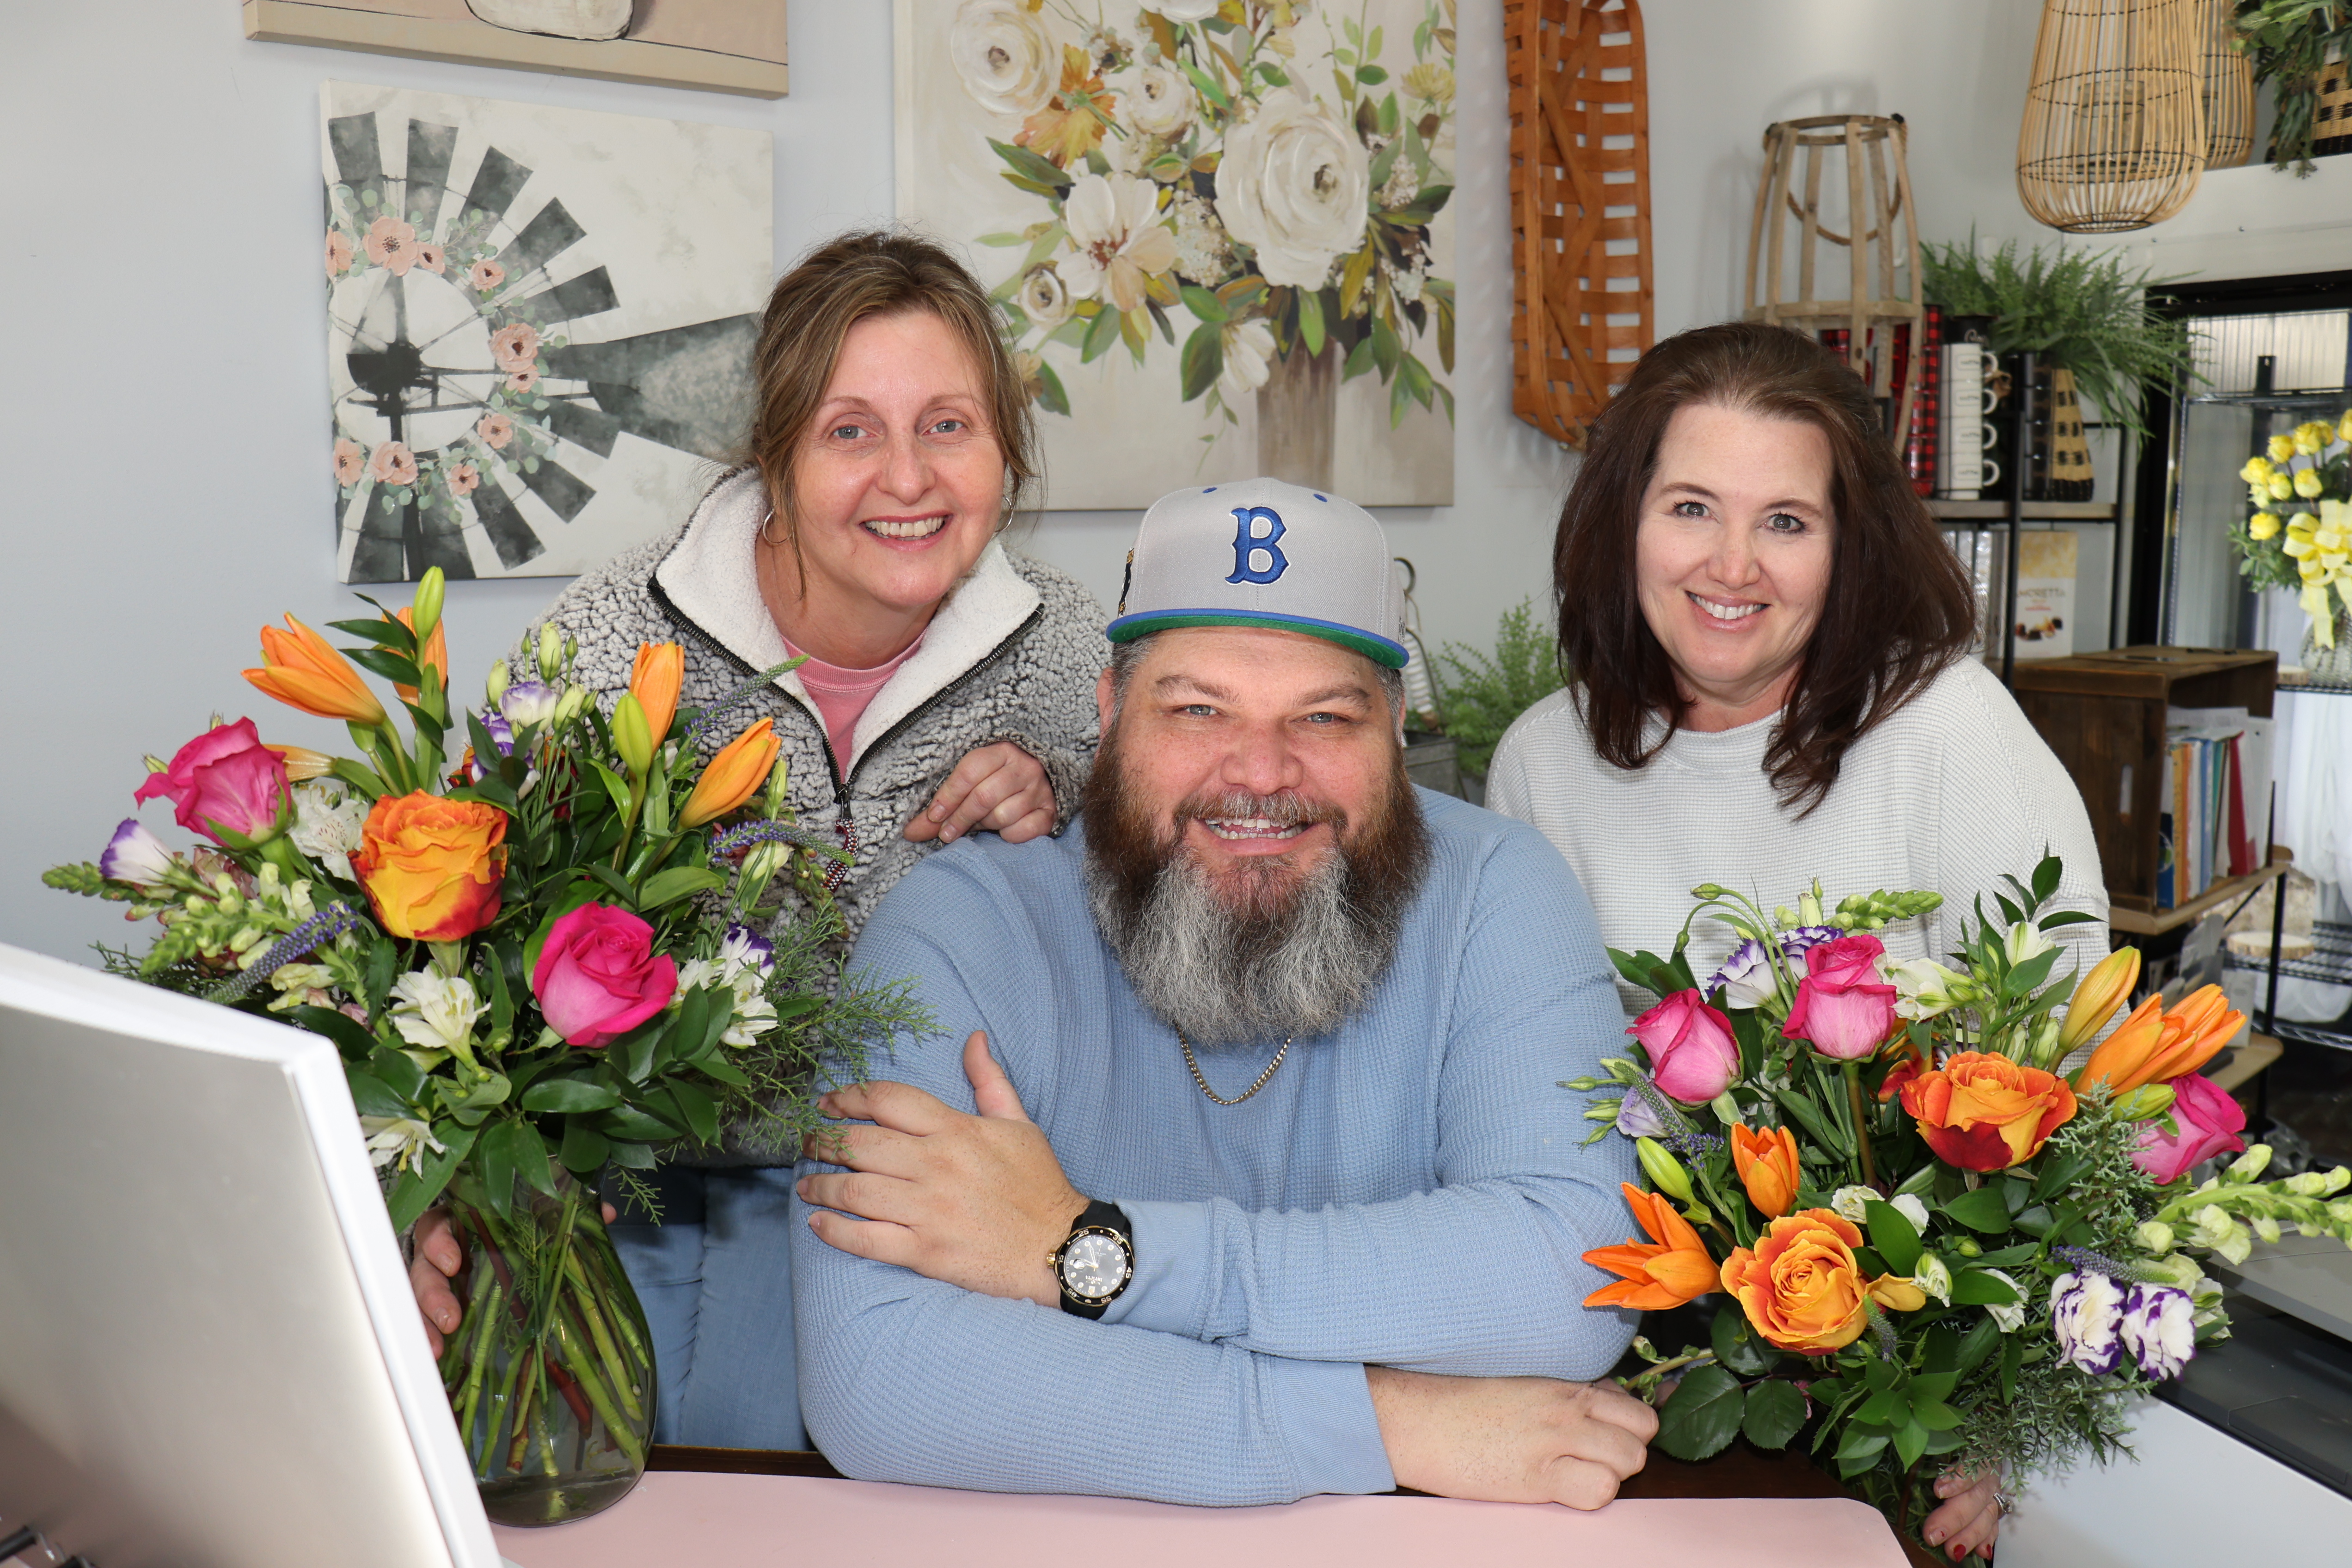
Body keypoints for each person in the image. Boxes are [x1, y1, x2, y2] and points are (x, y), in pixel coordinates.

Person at [787, 478, 1658, 1506]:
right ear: (1110, 714)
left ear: (1396, 725)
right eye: (1198, 709)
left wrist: (1080, 1249)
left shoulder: (1498, 889)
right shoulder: (963, 924)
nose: (1257, 771)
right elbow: (877, 1372)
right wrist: (1388, 1420)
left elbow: (1580, 1275)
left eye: (1324, 715)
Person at [408, 229, 1106, 1452]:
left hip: (943, 1190)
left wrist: (1068, 791)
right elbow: (465, 926)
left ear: (1007, 450)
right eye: (851, 431)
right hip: (645, 1189)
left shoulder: (1069, 656)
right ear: (775, 457)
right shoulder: (620, 644)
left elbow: (1177, 858)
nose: (909, 478)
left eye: (949, 425)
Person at [1485, 321, 2103, 1559]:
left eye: (1786, 521)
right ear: (1622, 522)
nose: (1733, 564)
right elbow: (1523, 1102)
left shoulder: (1946, 736)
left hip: (1902, 1382)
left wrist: (1993, 1405)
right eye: (1692, 507)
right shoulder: (1543, 762)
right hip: (1635, 1363)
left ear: (1849, 544)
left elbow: (2085, 1090)